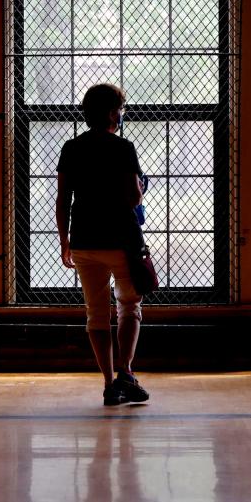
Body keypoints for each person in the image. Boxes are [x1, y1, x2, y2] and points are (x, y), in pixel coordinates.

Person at [56, 83, 150, 406]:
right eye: (120, 110)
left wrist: (64, 240)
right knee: (129, 305)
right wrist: (140, 185)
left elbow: (63, 199)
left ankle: (109, 382)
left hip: (84, 239)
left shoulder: (71, 148)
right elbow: (133, 197)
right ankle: (126, 372)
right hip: (120, 239)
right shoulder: (123, 148)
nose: (121, 115)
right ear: (112, 113)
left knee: (96, 314)